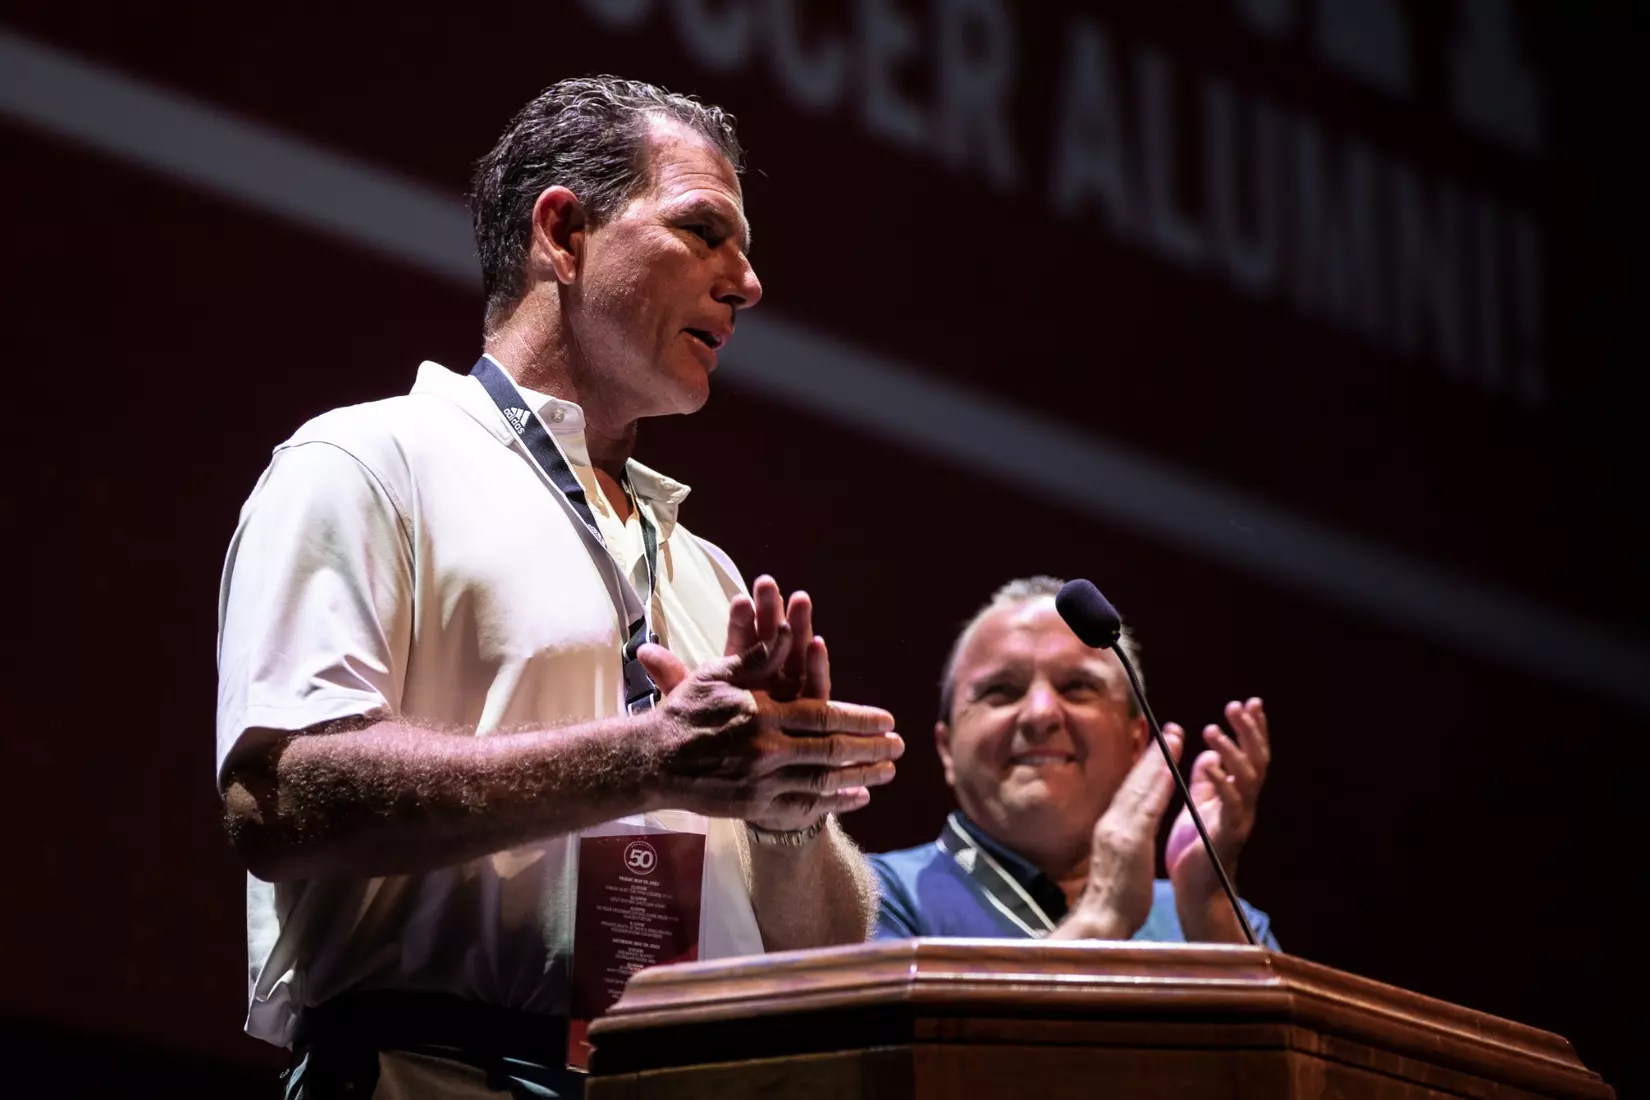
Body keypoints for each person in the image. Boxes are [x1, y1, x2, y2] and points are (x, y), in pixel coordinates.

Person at [215, 77, 903, 1098]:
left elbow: (824, 953)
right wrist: (645, 760)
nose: (748, 283)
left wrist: (787, 809)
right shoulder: (370, 464)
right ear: (563, 233)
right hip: (434, 1072)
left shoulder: (708, 572)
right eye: (703, 231)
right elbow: (275, 798)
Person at [870, 577, 1277, 946]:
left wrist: (1207, 907)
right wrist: (1102, 919)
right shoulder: (873, 900)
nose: (1041, 714)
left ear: (1137, 743)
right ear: (946, 747)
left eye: (1077, 687)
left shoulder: (1214, 916)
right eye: (1001, 690)